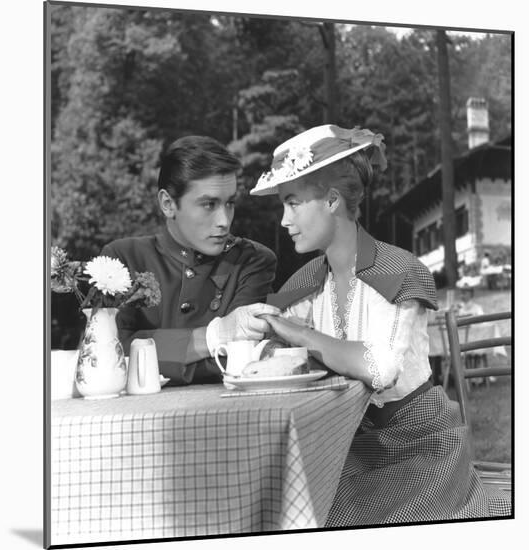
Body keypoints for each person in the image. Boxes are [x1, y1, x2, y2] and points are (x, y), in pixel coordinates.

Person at [250, 124, 510, 525]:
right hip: (347, 447)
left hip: (420, 443)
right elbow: (268, 350)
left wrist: (301, 335)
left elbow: (381, 368)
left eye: (292, 203)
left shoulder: (401, 271)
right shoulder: (302, 285)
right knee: (292, 512)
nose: (284, 220)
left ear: (332, 200)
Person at [101, 135, 280, 384]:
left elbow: (240, 360)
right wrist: (214, 337)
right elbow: (105, 356)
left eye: (230, 203)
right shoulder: (122, 259)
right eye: (209, 204)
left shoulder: (252, 261)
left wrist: (144, 349)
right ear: (168, 204)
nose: (224, 221)